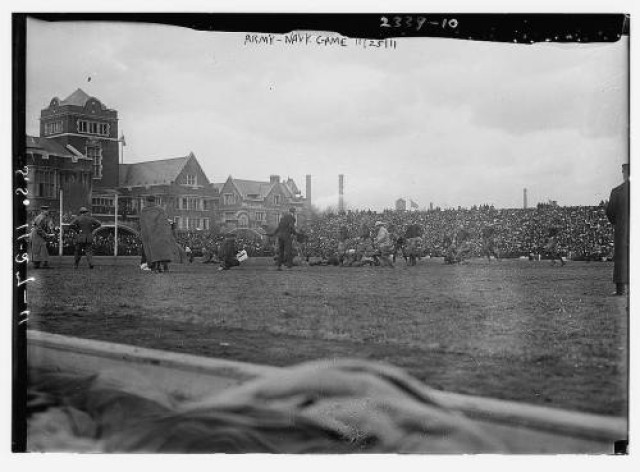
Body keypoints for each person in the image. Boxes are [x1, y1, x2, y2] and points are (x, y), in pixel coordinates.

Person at [606, 163, 630, 296]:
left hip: (622, 230)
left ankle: (621, 290)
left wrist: (619, 223)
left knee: (621, 258)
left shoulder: (616, 191)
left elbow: (610, 212)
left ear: (625, 172)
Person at [139, 195, 175, 273]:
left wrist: (144, 234)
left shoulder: (144, 211)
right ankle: (165, 267)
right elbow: (164, 222)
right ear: (154, 201)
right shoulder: (160, 210)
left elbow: (143, 224)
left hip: (151, 234)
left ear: (147, 201)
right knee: (163, 250)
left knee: (152, 251)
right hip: (161, 233)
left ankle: (156, 267)